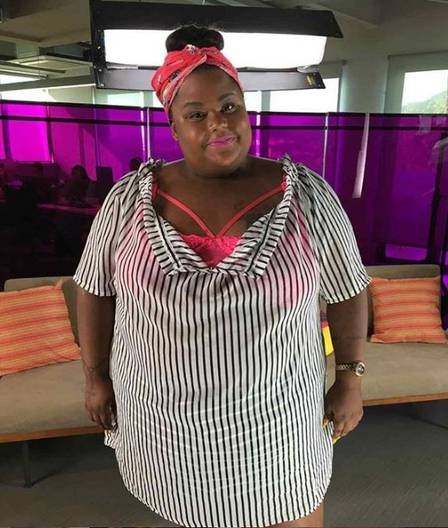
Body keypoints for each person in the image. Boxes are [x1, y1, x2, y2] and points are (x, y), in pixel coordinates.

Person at [74, 25, 370, 528]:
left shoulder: (307, 195)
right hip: (164, 421)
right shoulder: (128, 200)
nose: (218, 123)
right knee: (188, 512)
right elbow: (94, 291)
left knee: (292, 511)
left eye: (230, 106)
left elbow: (348, 291)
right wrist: (95, 377)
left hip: (277, 423)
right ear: (173, 125)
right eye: (196, 114)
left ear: (247, 110)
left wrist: (350, 378)